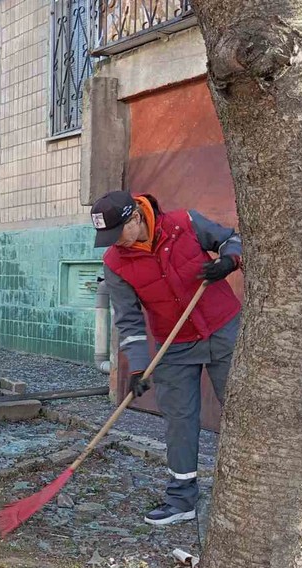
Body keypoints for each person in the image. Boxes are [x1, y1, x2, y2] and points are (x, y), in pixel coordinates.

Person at [92, 190, 241, 526]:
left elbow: (233, 238)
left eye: (117, 234)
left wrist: (228, 262)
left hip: (223, 330)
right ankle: (182, 498)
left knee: (242, 411)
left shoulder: (185, 223)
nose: (115, 243)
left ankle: (250, 493)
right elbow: (128, 320)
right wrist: (140, 365)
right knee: (179, 421)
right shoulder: (115, 263)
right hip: (175, 345)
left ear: (135, 219)